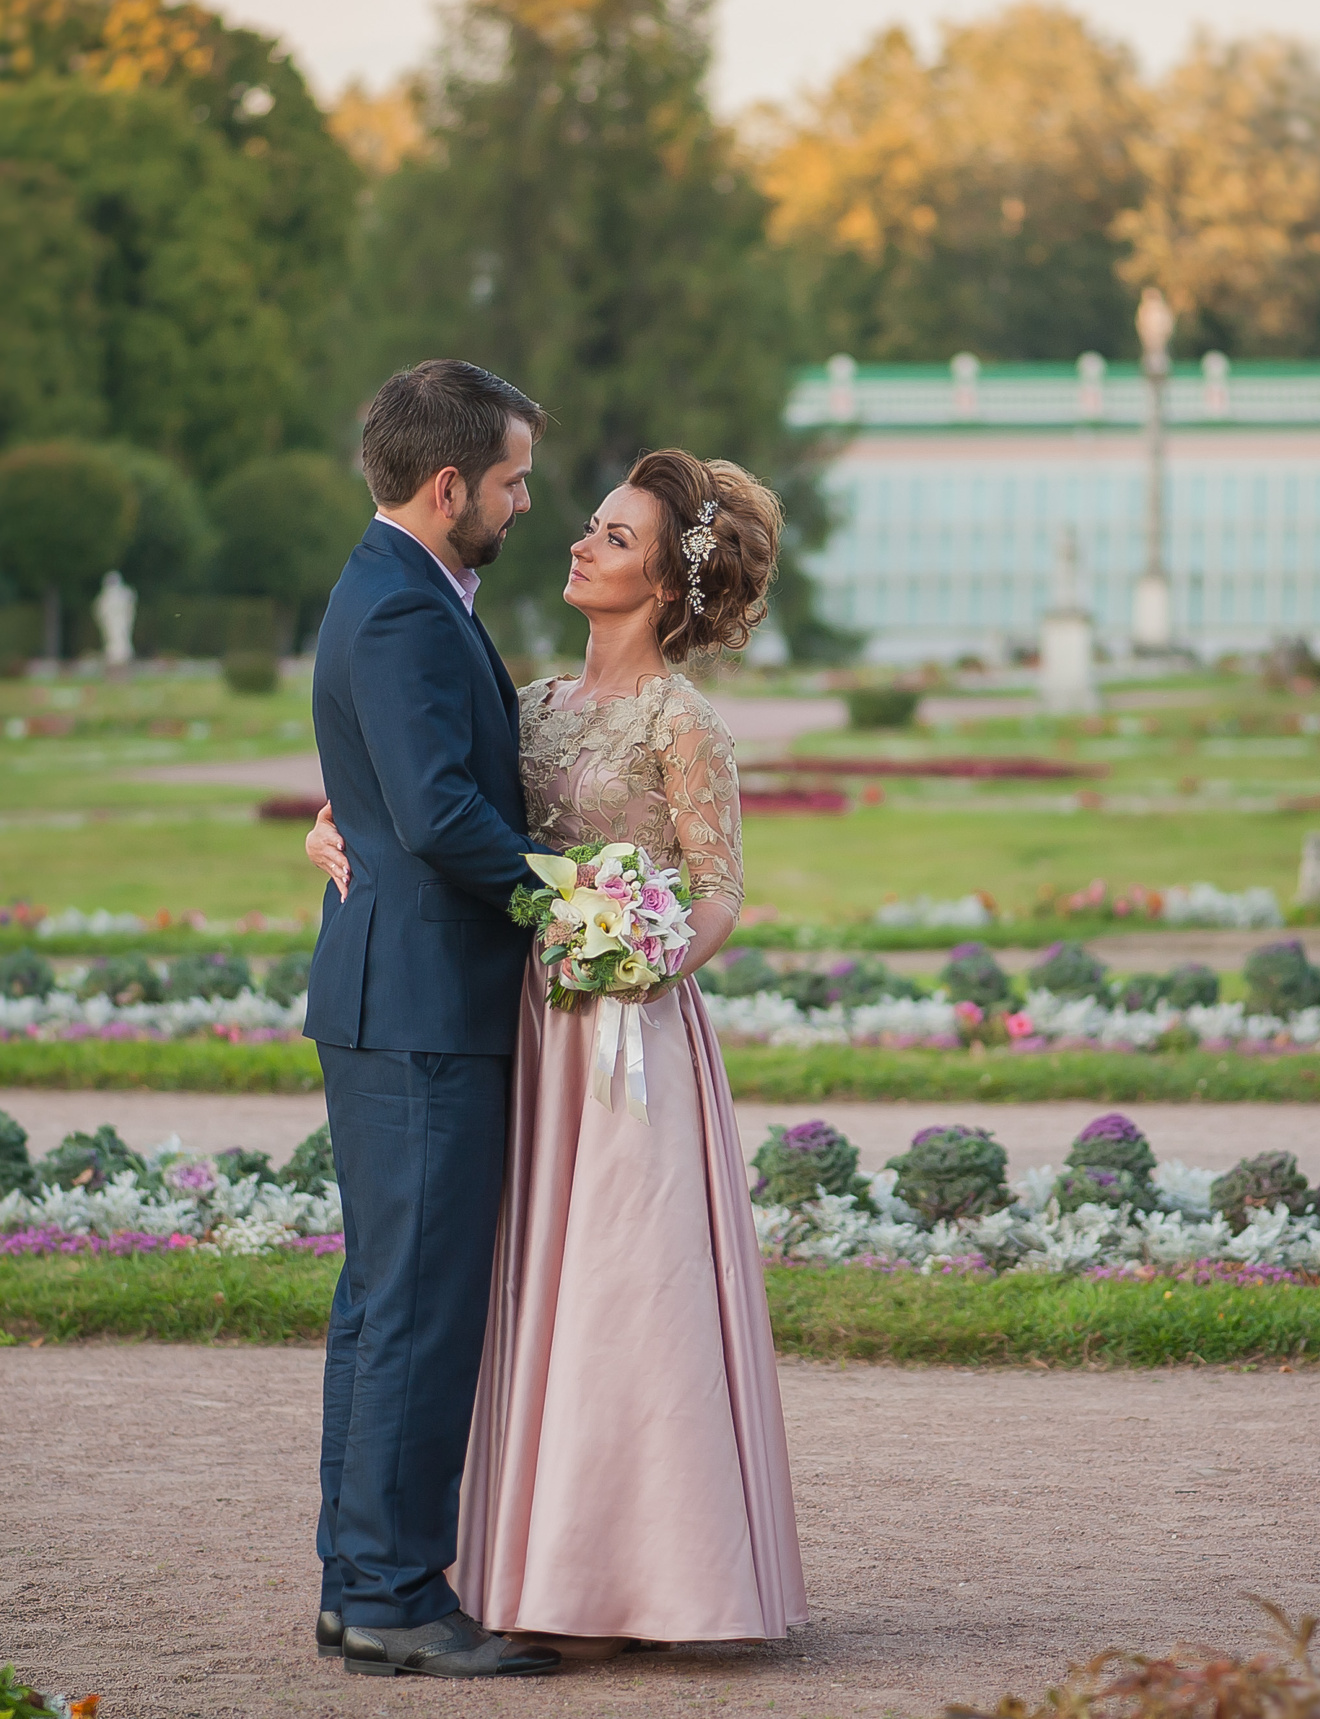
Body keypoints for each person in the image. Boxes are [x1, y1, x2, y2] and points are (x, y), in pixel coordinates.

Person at [307, 446, 808, 1656]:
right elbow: (431, 806)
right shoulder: (527, 704)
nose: (577, 543)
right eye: (588, 524)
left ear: (666, 587)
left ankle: (634, 1577)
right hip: (519, 1032)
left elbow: (720, 891)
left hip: (627, 1044)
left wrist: (641, 954)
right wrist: (335, 828)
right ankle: (497, 1570)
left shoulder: (682, 726)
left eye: (615, 539)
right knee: (508, 1296)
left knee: (623, 1303)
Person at [301, 359, 561, 1681]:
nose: (524, 505)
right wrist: (568, 898)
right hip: (421, 1006)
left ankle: (364, 1582)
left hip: (396, 992)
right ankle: (395, 1590)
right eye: (513, 482)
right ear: (451, 482)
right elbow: (438, 809)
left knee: (383, 1302)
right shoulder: (404, 607)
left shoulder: (400, 588)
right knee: (416, 1308)